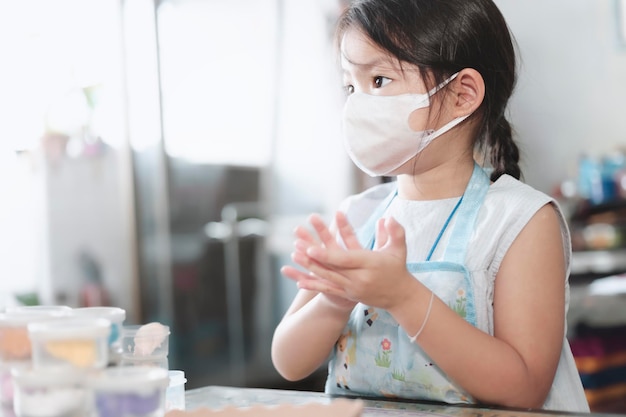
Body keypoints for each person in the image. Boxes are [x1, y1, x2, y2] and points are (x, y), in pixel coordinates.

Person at [271, 0, 589, 412]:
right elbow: (289, 361)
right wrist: (336, 299)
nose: (356, 105)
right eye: (351, 85)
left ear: (462, 95)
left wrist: (403, 296)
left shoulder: (521, 222)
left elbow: (524, 386)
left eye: (380, 80)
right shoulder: (358, 216)